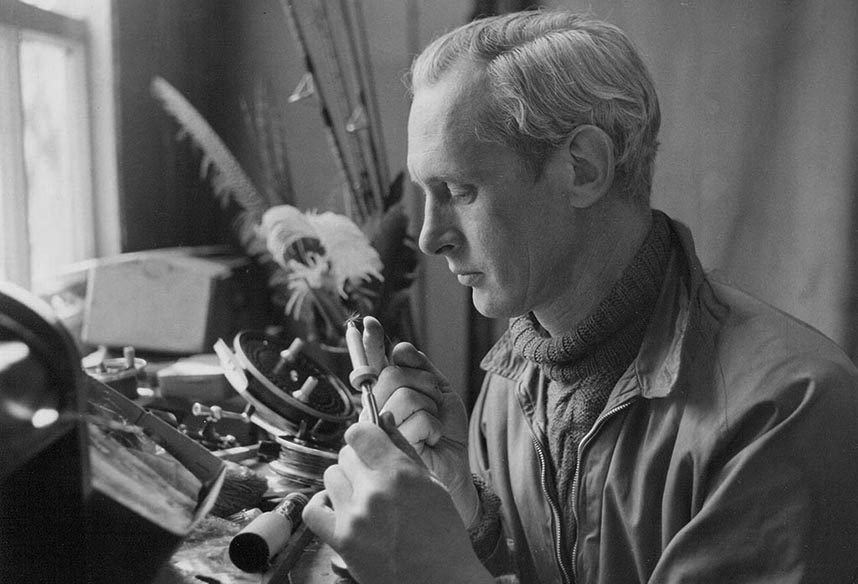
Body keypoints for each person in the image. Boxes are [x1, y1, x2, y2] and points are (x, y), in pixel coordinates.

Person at [302, 9, 858, 584]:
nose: (427, 236)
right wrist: (466, 512)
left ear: (584, 168)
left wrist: (432, 572)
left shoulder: (787, 411)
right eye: (425, 193)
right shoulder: (509, 387)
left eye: (460, 190)